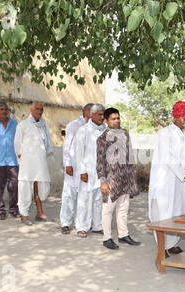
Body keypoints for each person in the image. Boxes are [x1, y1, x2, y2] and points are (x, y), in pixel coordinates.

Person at [148, 99, 185, 256]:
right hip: (165, 180)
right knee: (163, 212)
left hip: (183, 182)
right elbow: (168, 157)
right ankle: (162, 247)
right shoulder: (166, 133)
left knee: (180, 211)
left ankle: (173, 244)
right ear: (176, 117)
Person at [96, 107, 140, 250]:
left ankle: (123, 235)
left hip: (125, 178)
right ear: (106, 121)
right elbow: (100, 161)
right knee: (108, 209)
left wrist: (132, 173)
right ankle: (107, 238)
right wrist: (103, 181)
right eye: (113, 119)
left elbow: (130, 154)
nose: (117, 121)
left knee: (123, 208)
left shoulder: (125, 134)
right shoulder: (102, 139)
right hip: (111, 179)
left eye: (118, 118)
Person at [14, 102, 53, 225]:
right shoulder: (23, 124)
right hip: (27, 163)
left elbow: (46, 142)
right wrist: (23, 160)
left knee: (40, 186)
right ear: (31, 109)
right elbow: (17, 144)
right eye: (37, 108)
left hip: (40, 161)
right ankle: (24, 215)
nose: (39, 111)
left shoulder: (43, 124)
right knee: (25, 188)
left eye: (41, 109)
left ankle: (40, 213)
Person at [59, 103, 93, 234]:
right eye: (91, 110)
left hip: (87, 168)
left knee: (84, 198)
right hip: (73, 166)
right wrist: (67, 163)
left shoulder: (95, 128)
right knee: (69, 195)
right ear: (85, 111)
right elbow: (67, 145)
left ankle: (82, 226)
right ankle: (65, 223)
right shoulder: (74, 125)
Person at [74, 104, 106, 238]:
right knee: (85, 200)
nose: (102, 117)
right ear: (92, 115)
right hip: (87, 172)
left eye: (103, 114)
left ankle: (97, 226)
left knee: (99, 199)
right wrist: (82, 171)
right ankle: (82, 227)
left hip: (101, 172)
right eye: (99, 114)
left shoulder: (105, 130)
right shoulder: (84, 130)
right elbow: (79, 152)